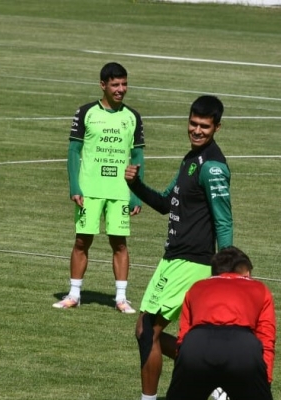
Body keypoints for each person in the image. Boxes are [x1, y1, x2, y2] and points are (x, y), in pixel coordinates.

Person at [125, 95, 233, 400]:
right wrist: (135, 186)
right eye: (193, 123)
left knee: (147, 331)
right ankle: (214, 380)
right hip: (173, 259)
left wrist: (225, 274)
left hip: (192, 262)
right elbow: (163, 202)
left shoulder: (212, 167)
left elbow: (224, 222)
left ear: (217, 127)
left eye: (204, 126)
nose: (197, 131)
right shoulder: (190, 160)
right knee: (155, 333)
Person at [53, 62, 145, 314]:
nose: (121, 89)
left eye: (124, 84)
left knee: (120, 244)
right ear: (102, 85)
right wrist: (75, 186)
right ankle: (73, 294)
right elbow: (73, 151)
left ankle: (121, 298)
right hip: (90, 190)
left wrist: (136, 194)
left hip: (119, 191)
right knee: (82, 241)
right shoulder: (85, 113)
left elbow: (137, 157)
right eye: (115, 84)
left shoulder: (133, 117)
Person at [165, 246, 275, 400]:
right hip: (242, 348)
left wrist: (182, 375)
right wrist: (265, 381)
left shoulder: (196, 288)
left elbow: (183, 336)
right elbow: (266, 338)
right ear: (247, 273)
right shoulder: (260, 288)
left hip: (196, 345)